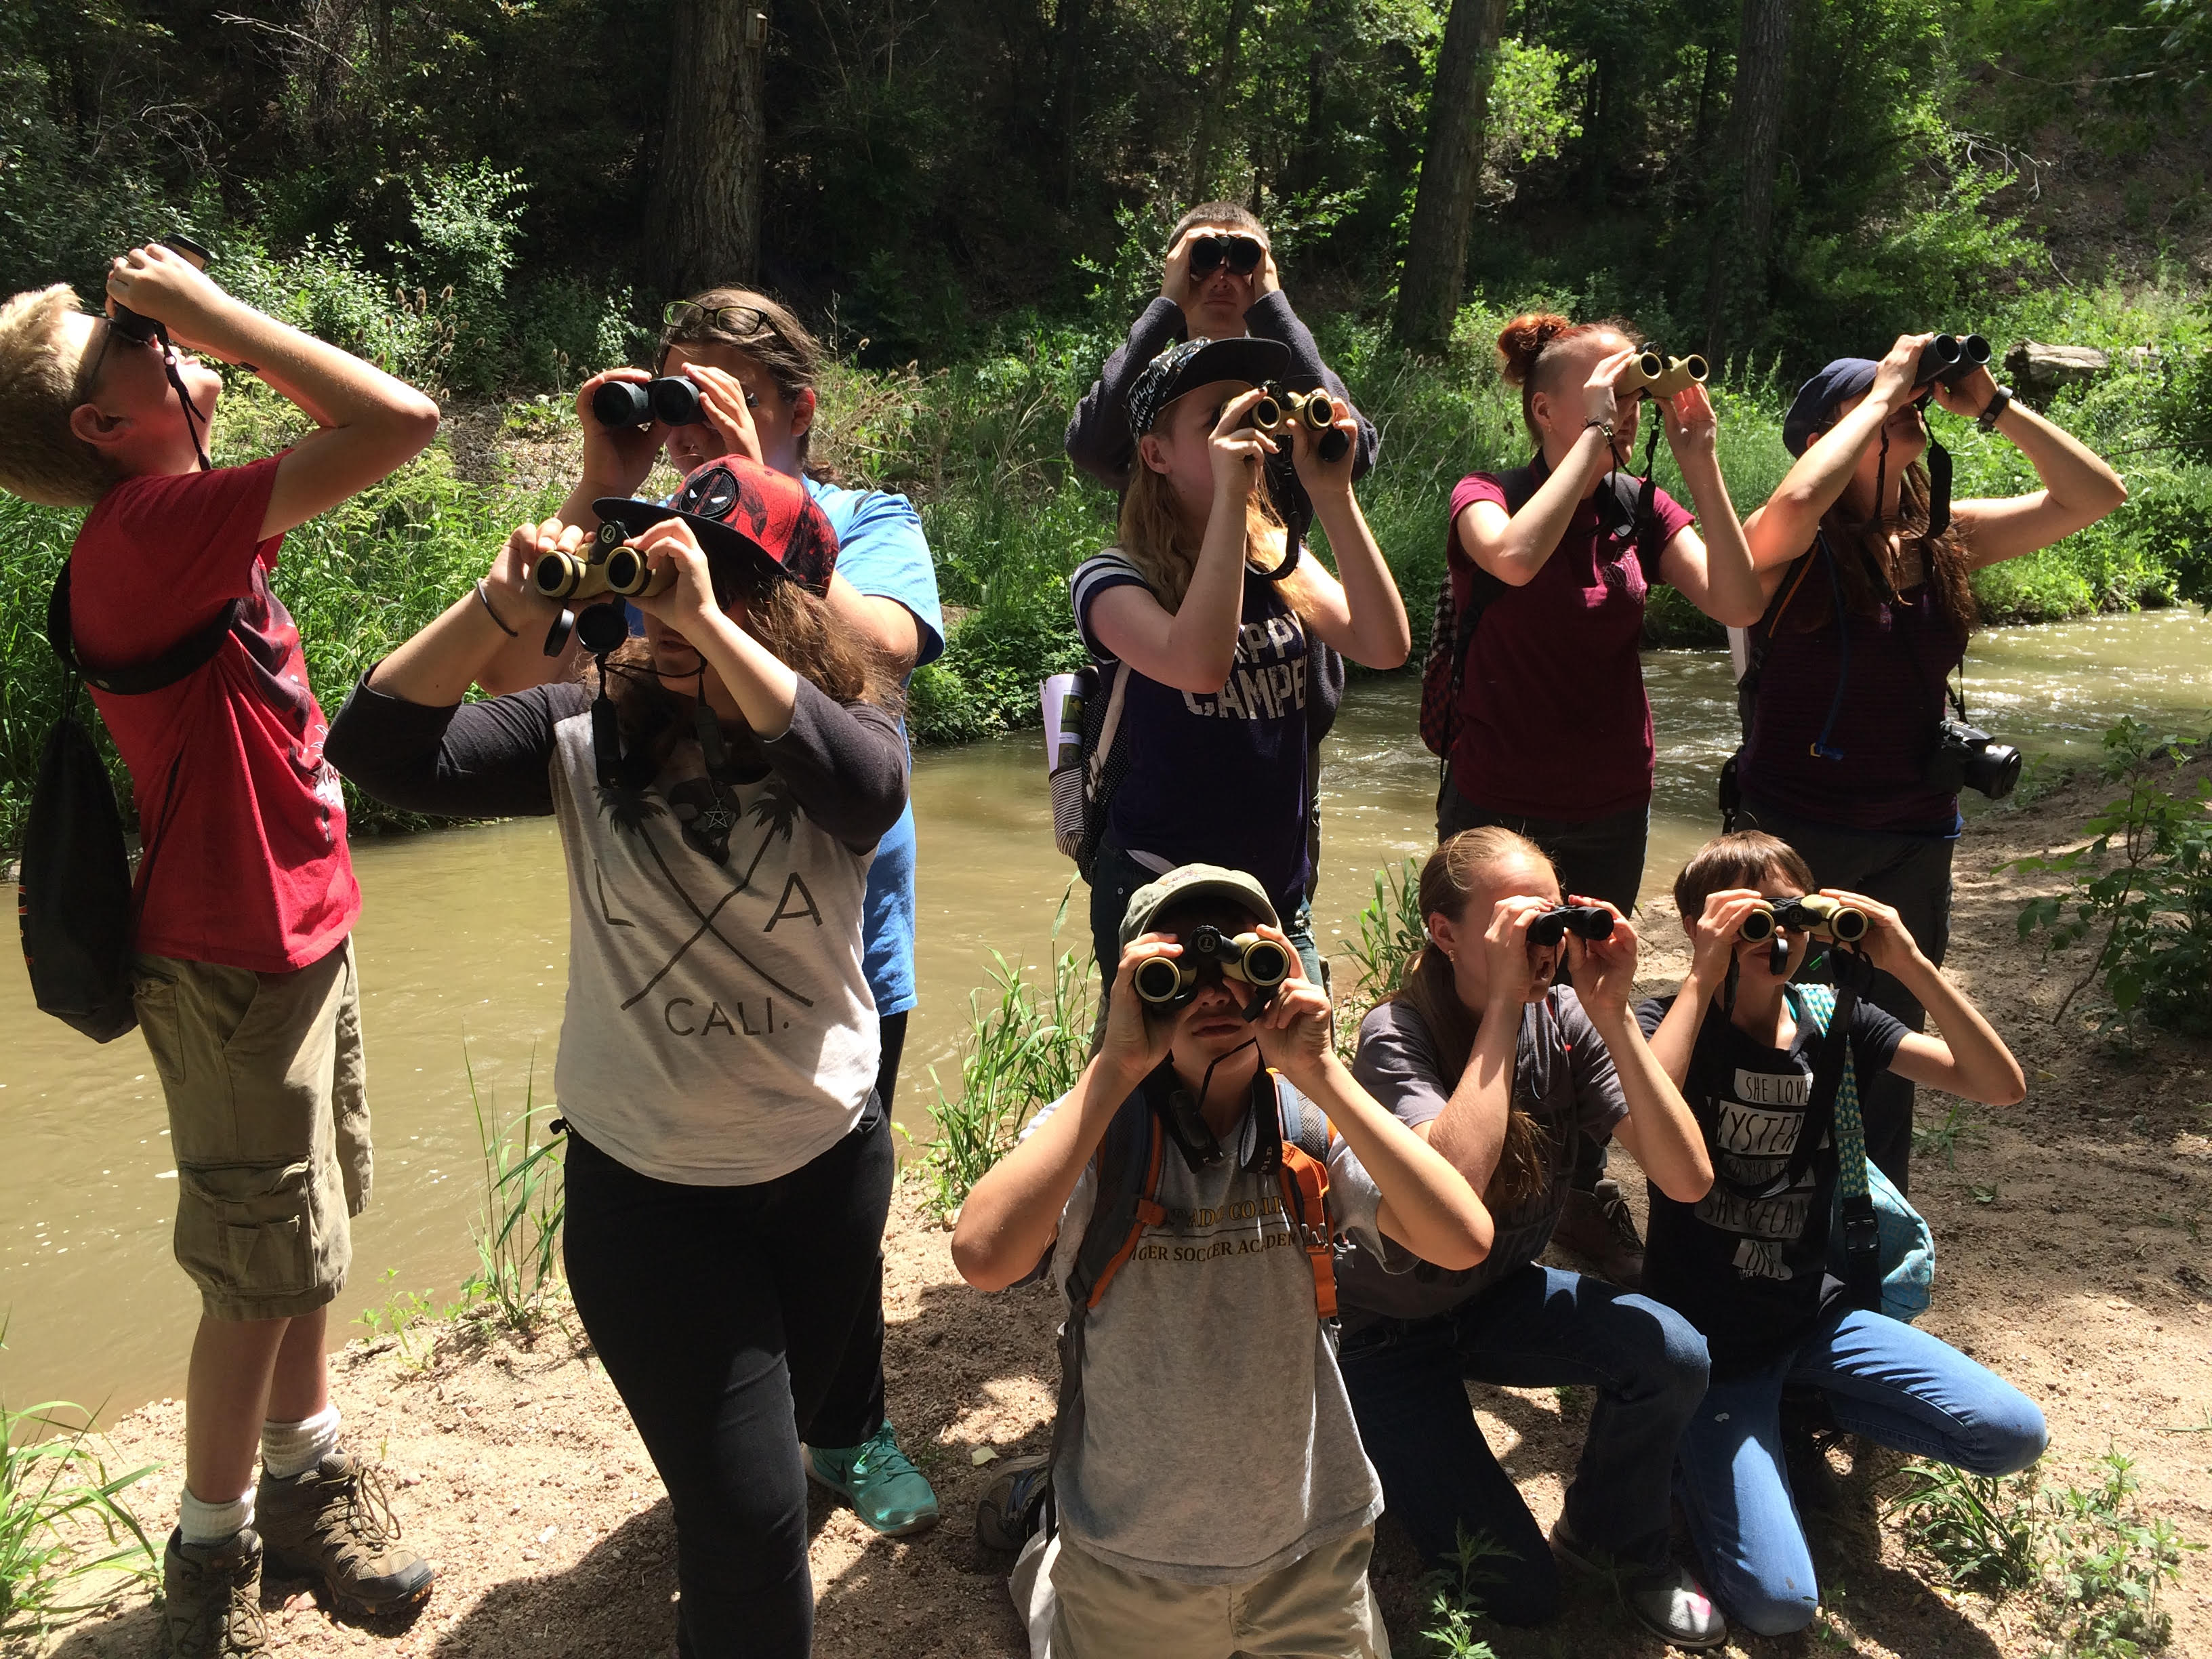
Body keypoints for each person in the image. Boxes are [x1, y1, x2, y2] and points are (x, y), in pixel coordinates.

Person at [325, 455, 909, 1658]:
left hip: (826, 1167)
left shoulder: (850, 723)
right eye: (657, 581)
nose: (675, 611)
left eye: (728, 582)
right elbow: (377, 749)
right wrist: (504, 606)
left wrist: (699, 619)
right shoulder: (578, 730)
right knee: (752, 1518)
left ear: (792, 603)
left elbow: (862, 794)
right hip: (650, 1196)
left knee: (764, 1459)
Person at [0, 252, 441, 1656]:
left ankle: (307, 1486)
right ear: (96, 424)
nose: (173, 346)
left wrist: (191, 346)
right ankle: (210, 1567)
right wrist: (224, 321)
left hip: (300, 931)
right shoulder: (145, 533)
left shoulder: (183, 521)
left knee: (303, 1241)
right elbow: (401, 422)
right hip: (232, 958)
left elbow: (351, 430)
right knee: (255, 1269)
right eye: (128, 341)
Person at [481, 289, 945, 1536]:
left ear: (796, 404)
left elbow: (887, 652)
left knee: (830, 1222)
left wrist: (742, 499)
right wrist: (602, 485)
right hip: (674, 923)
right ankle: (744, 1441)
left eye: (716, 394)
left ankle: (849, 1428)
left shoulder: (867, 517)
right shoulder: (639, 530)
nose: (684, 420)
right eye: (668, 391)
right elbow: (517, 680)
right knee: (711, 1219)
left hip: (844, 931)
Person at [951, 864, 1494, 1658]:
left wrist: (1322, 1070)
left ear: (1280, 976)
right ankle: (1047, 1539)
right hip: (1129, 1553)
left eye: (1243, 964)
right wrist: (1114, 1066)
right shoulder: (1099, 1127)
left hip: (1310, 1545)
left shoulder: (1307, 1121)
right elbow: (983, 1257)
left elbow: (1461, 1238)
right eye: (1179, 973)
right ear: (1135, 987)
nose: (1213, 992)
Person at [1732, 335, 2126, 1191]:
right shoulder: (1785, 545)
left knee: (1885, 1042)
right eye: (1870, 400)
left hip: (1913, 835)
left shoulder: (1945, 535)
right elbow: (1800, 498)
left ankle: (1873, 1231)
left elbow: (2095, 496)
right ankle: (1755, 1218)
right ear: (1821, 436)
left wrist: (1992, 407)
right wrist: (1884, 393)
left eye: (1904, 396)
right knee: (1772, 1032)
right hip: (1794, 831)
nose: (1903, 401)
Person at [1638, 832, 2045, 1636]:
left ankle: (1798, 1409)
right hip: (1710, 1351)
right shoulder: (1666, 1020)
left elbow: (1999, 1087)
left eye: (1792, 914)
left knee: (2009, 1435)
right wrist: (1704, 974)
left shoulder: (1836, 1019)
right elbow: (1644, 1114)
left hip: (1810, 1317)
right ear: (1698, 926)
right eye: (1751, 919)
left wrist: (1909, 964)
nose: (1776, 936)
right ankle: (1707, 1448)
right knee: (1779, 1606)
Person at [1434, 310, 1767, 1286]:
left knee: (1590, 989)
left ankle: (1569, 1190)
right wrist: (1588, 443)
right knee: (1485, 987)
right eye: (1603, 392)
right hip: (1497, 806)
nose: (1625, 408)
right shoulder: (1486, 493)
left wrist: (1699, 460)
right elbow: (1514, 558)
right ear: (1543, 406)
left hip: (1609, 796)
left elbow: (1739, 602)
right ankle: (1467, 1178)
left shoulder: (1638, 504)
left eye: (1632, 393)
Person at [1334, 829, 1727, 1649]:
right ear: (1444, 934)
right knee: (1515, 1592)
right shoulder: (1395, 1034)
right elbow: (1452, 1200)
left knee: (1673, 1355)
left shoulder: (1572, 1019)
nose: (1542, 944)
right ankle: (1376, 1450)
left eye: (1552, 919)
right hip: (1387, 1335)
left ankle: (1612, 1535)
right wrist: (1507, 1009)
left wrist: (1614, 1014)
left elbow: (1685, 1179)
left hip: (1499, 1296)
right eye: (1517, 924)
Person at [1071, 335, 1410, 991]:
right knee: (1160, 1086)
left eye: (1250, 410)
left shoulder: (1276, 553)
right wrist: (1232, 497)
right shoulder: (1110, 580)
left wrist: (1332, 493)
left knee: (1292, 1077)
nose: (1244, 429)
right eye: (1215, 419)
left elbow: (1383, 645)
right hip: (1158, 894)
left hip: (1278, 895)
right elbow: (1200, 665)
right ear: (1156, 454)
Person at [1065, 200, 1380, 553]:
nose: (1221, 278)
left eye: (1244, 260)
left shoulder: (1293, 373)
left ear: (1265, 276)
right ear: (1175, 271)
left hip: (1270, 578)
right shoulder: (1148, 376)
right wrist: (1165, 308)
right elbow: (1091, 447)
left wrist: (1275, 313)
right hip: (1161, 583)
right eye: (1202, 260)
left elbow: (1357, 454)